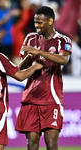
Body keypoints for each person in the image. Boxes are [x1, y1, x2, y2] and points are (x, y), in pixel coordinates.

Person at [15, 6, 72, 150]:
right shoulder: (30, 38)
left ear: (50, 21)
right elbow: (20, 68)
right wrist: (29, 58)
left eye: (40, 22)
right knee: (31, 145)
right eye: (35, 22)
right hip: (31, 98)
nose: (36, 25)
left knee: (51, 144)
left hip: (51, 99)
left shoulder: (62, 40)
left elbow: (64, 60)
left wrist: (39, 52)